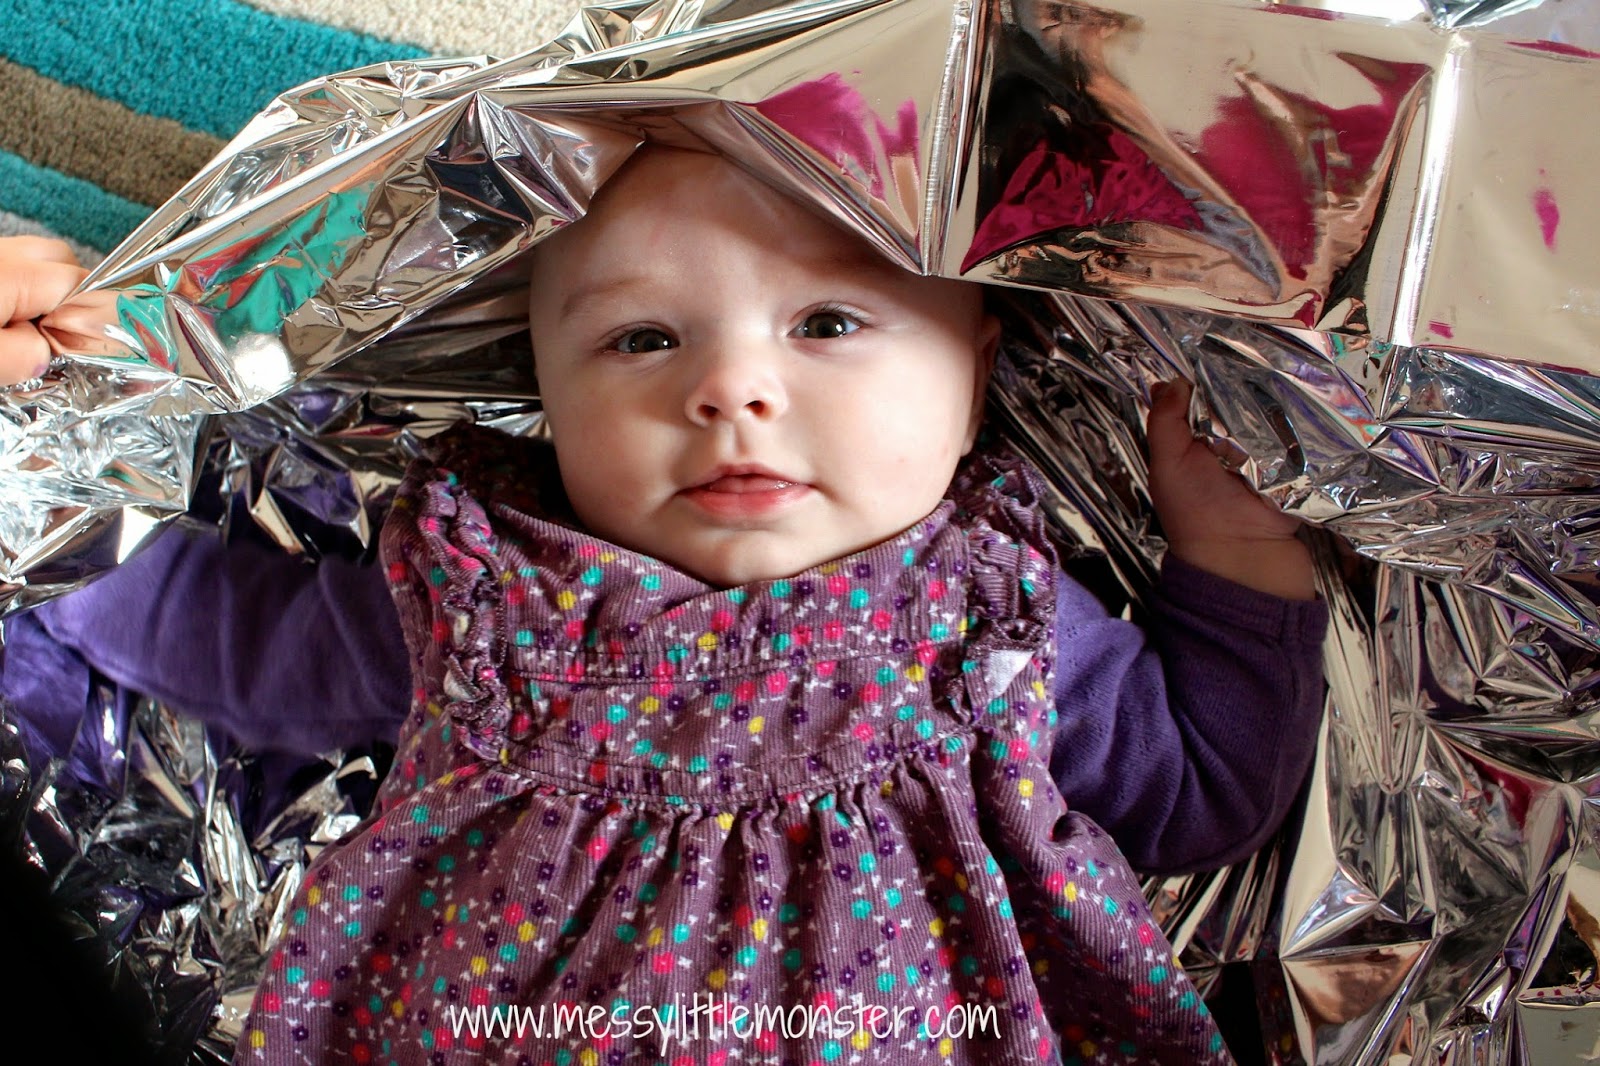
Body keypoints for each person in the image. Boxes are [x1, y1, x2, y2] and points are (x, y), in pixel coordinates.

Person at [0, 145, 1327, 1063]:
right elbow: (236, 641)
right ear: (546, 392)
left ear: (976, 378)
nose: (730, 388)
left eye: (828, 323)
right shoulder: (490, 595)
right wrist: (40, 506)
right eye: (642, 339)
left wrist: (1228, 541)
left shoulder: (989, 616)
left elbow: (1202, 783)